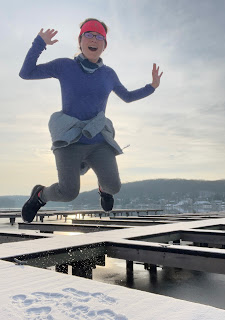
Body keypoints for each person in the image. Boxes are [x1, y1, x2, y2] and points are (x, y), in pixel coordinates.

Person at [19, 18, 163, 223]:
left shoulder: (108, 74)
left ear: (104, 45)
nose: (93, 39)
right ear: (80, 41)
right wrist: (39, 43)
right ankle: (40, 196)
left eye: (99, 37)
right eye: (88, 34)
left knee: (114, 187)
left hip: (97, 140)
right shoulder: (65, 66)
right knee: (68, 192)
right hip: (69, 140)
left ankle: (104, 190)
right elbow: (26, 73)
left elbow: (128, 97)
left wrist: (152, 87)